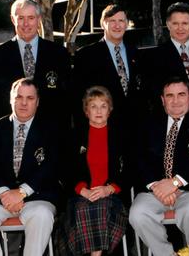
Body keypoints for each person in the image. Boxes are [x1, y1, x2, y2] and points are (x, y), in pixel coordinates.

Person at [0, 78, 59, 256]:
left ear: (38, 101)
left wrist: (22, 192)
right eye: (18, 97)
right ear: (11, 99)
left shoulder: (51, 129)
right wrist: (4, 193)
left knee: (42, 215)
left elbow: (52, 166)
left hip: (37, 197)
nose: (24, 103)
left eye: (30, 98)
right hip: (0, 199)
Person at [129, 76, 189, 256]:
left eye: (181, 94)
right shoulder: (148, 124)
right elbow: (138, 158)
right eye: (170, 96)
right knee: (137, 214)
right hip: (155, 191)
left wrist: (175, 183)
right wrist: (157, 186)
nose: (175, 101)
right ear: (162, 100)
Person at [0, 0, 70, 123]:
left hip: (50, 132)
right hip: (10, 134)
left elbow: (66, 99)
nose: (26, 24)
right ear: (13, 20)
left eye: (31, 18)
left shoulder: (58, 53)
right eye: (21, 18)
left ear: (39, 20)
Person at [64, 86, 128, 255]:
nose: (98, 111)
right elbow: (65, 170)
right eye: (93, 106)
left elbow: (130, 170)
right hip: (81, 196)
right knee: (86, 207)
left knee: (99, 207)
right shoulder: (75, 137)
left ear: (110, 110)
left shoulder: (121, 136)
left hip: (112, 196)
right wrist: (82, 190)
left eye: (103, 106)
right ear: (86, 111)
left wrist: (109, 188)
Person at [73, 4, 144, 127]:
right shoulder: (86, 56)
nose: (117, 25)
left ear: (126, 24)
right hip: (101, 130)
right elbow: (77, 99)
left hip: (134, 132)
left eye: (121, 20)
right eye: (112, 21)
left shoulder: (136, 54)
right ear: (103, 24)